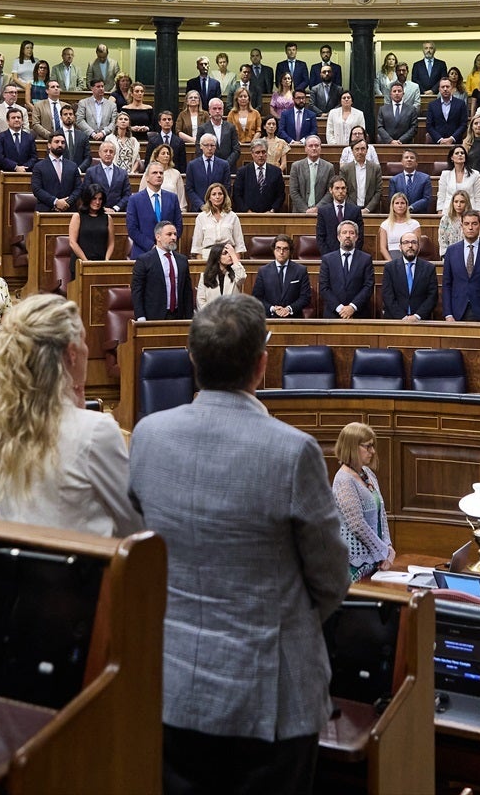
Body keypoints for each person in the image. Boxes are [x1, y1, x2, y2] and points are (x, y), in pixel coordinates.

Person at [127, 294, 347, 794]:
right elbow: (333, 579)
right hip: (270, 700)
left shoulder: (148, 436)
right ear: (262, 364)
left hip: (174, 687)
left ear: (192, 359)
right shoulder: (293, 451)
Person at [0, 295, 142, 536]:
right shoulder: (95, 430)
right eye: (85, 342)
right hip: (87, 569)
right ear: (72, 353)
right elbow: (135, 526)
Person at [332, 424, 394, 582]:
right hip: (353, 564)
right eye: (368, 446)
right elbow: (357, 525)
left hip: (374, 559)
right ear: (352, 447)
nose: (372, 451)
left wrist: (388, 545)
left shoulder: (368, 474)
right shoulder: (343, 480)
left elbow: (382, 513)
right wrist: (382, 550)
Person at [441, 210, 480, 322]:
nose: (470, 227)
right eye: (466, 224)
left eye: (474, 224)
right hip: (457, 312)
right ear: (462, 226)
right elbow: (447, 284)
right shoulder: (451, 251)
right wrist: (448, 314)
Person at [380, 229, 437, 320]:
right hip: (395, 320)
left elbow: (432, 297)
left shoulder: (429, 268)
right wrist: (402, 317)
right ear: (400, 247)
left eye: (414, 242)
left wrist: (417, 316)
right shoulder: (390, 268)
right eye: (406, 242)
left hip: (421, 321)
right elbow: (387, 296)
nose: (410, 246)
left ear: (418, 247)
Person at [253, 234, 313, 319]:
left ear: (290, 251)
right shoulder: (263, 271)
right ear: (273, 250)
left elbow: (305, 297)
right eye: (278, 248)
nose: (281, 252)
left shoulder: (300, 270)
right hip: (270, 318)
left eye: (285, 249)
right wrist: (273, 308)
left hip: (294, 319)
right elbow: (257, 297)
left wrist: (289, 309)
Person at [189, 180, 245, 255]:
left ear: (224, 196)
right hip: (208, 254)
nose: (217, 197)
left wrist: (235, 263)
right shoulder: (201, 217)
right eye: (214, 194)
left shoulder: (233, 216)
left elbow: (239, 245)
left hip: (228, 254)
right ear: (209, 197)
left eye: (220, 194)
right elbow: (197, 246)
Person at [67, 183, 113, 263]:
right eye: (94, 198)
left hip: (101, 263)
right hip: (80, 263)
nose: (97, 202)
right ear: (88, 199)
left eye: (100, 199)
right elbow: (72, 243)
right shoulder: (77, 217)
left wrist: (106, 260)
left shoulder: (107, 218)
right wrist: (86, 262)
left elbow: (111, 243)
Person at [197, 240, 248, 309]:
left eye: (230, 253)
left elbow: (242, 277)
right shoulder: (204, 276)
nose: (229, 255)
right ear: (217, 258)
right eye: (225, 253)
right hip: (211, 316)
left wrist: (233, 255)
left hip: (232, 316)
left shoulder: (234, 274)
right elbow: (201, 301)